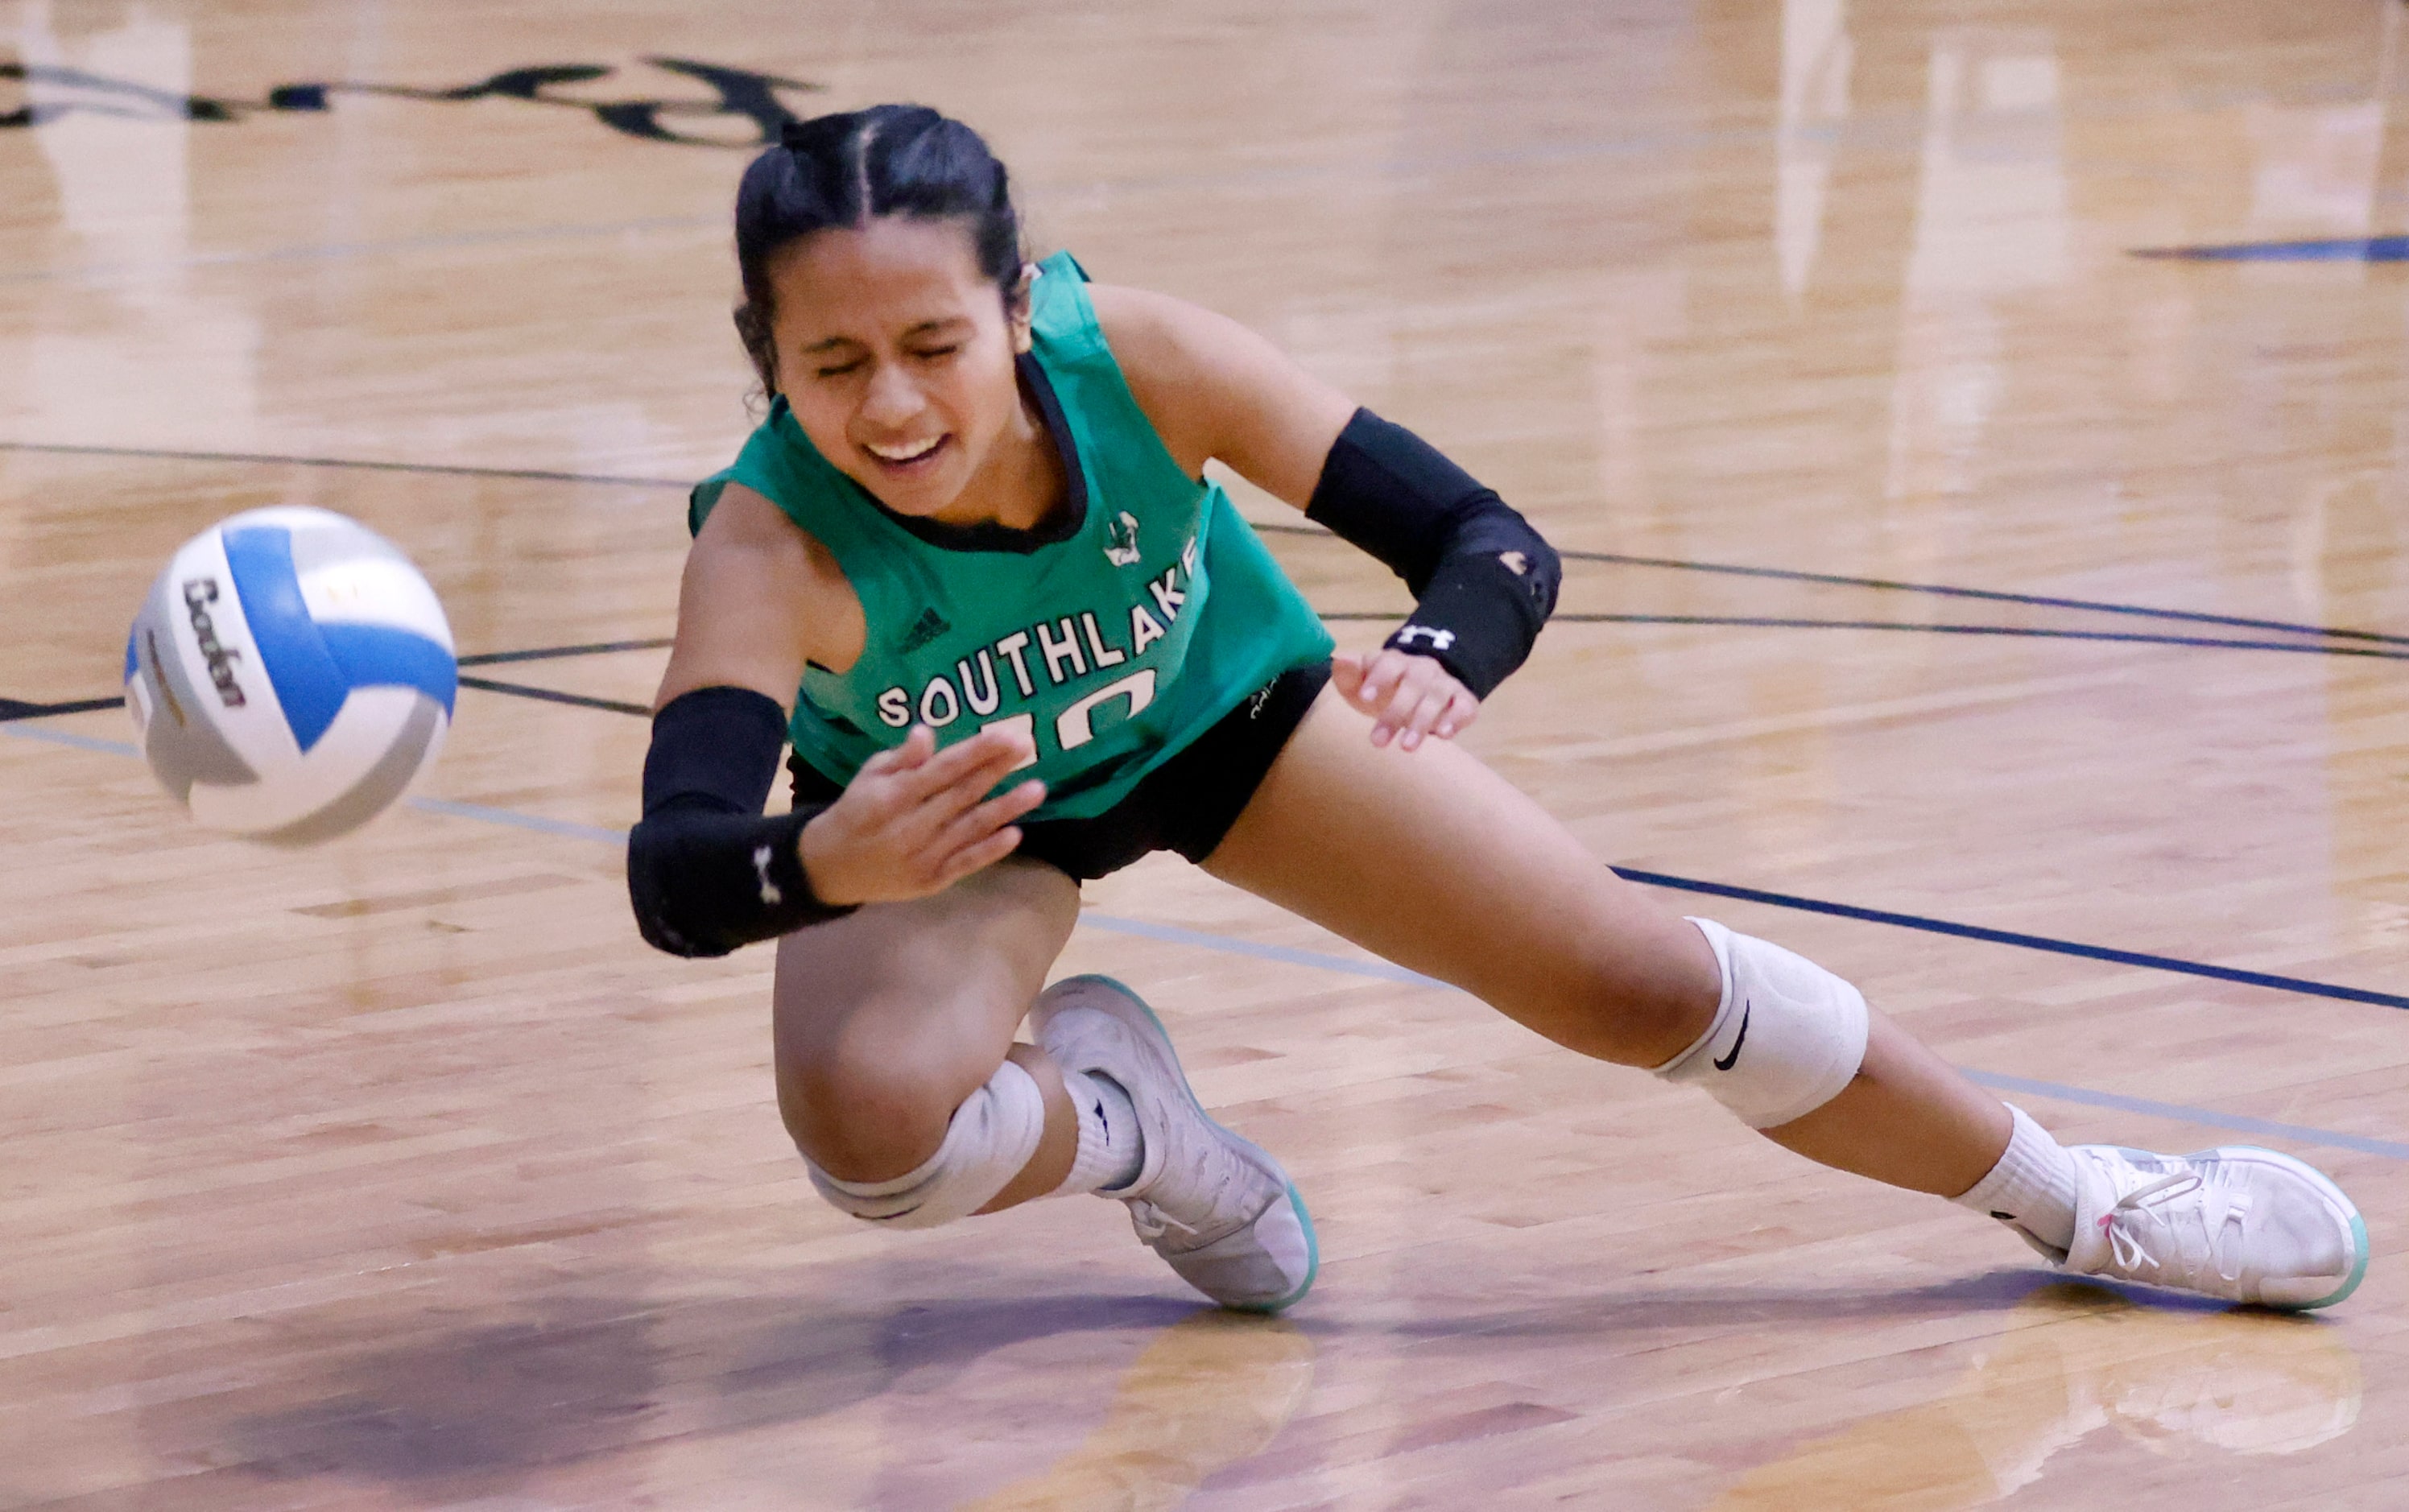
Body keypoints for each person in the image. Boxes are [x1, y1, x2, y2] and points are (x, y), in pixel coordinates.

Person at [626, 104, 2366, 1316]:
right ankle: (1132, 1132)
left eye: (932, 340)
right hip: (957, 826)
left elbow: (1488, 543)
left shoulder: (1137, 359)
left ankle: (2083, 1203)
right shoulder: (769, 538)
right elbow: (678, 868)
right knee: (871, 1145)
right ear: (764, 359)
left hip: (1223, 723)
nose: (895, 403)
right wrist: (819, 864)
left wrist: (1444, 655)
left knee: (1638, 984)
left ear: (1013, 304)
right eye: (833, 364)